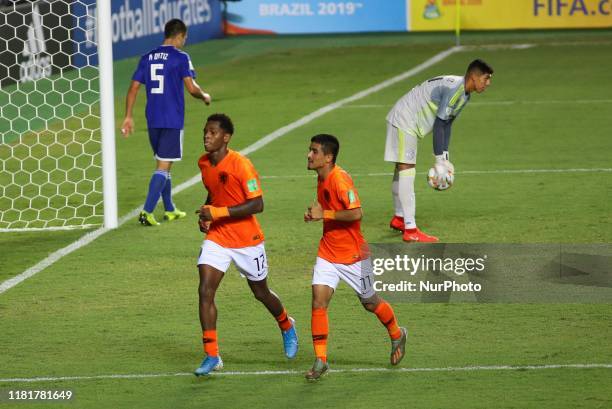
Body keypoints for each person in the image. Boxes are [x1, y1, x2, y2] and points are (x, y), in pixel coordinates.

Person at [194, 113, 298, 376]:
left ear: (226, 137)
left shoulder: (242, 165)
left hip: (246, 240)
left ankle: (286, 325)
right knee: (205, 291)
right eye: (205, 131)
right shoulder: (204, 163)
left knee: (260, 292)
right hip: (218, 237)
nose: (207, 135)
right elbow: (215, 192)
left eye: (213, 132)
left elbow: (257, 204)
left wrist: (216, 213)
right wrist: (208, 212)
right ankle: (212, 355)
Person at [304, 134, 407, 380]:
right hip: (328, 252)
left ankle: (397, 334)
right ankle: (321, 360)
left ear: (327, 158)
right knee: (318, 302)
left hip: (354, 256)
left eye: (314, 151)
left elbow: (356, 213)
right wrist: (317, 215)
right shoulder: (321, 177)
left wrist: (324, 215)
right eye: (309, 150)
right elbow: (328, 212)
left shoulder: (340, 180)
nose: (309, 155)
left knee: (370, 302)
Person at [385, 59, 493, 242]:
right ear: (474, 77)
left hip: (408, 120)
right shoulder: (455, 90)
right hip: (405, 120)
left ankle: (399, 218)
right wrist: (438, 159)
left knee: (401, 169)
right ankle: (410, 230)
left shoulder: (464, 94)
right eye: (486, 78)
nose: (488, 83)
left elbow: (448, 123)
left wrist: (444, 156)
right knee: (406, 170)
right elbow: (439, 124)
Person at [120, 18, 212, 226]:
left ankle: (169, 208)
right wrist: (204, 95)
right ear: (179, 35)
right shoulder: (181, 57)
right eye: (184, 38)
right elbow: (191, 88)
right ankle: (147, 211)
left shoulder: (146, 57)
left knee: (164, 163)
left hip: (152, 118)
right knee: (163, 166)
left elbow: (134, 88)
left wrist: (128, 116)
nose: (184, 42)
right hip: (172, 119)